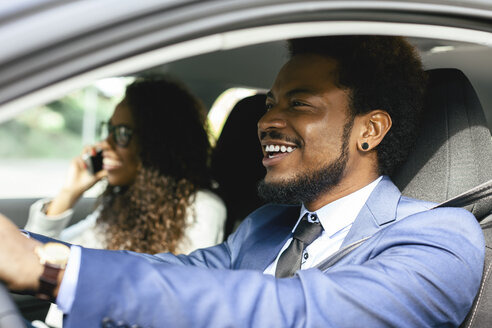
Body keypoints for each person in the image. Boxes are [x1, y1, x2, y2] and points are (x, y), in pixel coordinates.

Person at [0, 36, 484, 328]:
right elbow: (178, 274)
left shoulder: (438, 238)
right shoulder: (266, 226)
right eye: (270, 102)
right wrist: (25, 244)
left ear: (369, 130)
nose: (266, 120)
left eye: (299, 103)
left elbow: (295, 314)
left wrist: (55, 271)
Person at [25, 76, 226, 327]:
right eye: (108, 130)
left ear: (157, 143)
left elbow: (179, 303)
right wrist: (69, 193)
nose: (103, 145)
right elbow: (37, 258)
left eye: (121, 134)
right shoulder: (119, 203)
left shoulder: (202, 207)